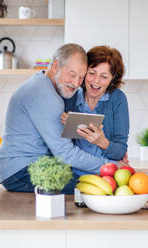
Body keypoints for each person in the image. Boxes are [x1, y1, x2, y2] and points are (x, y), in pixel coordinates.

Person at [0, 43, 115, 194]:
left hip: (19, 170)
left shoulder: (40, 83)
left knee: (93, 184)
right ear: (55, 67)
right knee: (95, 190)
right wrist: (110, 166)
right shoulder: (47, 96)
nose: (76, 83)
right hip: (22, 173)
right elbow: (66, 154)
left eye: (81, 77)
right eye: (72, 74)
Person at [61, 46, 130, 175]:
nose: (96, 81)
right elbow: (60, 146)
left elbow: (121, 150)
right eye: (92, 73)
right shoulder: (71, 96)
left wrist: (103, 143)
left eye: (104, 76)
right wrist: (64, 125)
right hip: (71, 174)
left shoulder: (117, 99)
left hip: (106, 174)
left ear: (112, 79)